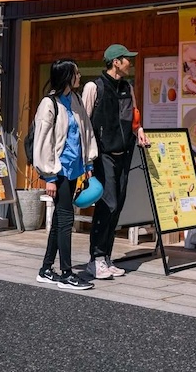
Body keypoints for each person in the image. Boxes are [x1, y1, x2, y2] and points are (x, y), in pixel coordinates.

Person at [82, 44, 149, 279]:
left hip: (124, 154)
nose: (131, 62)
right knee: (107, 205)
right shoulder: (94, 87)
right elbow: (84, 125)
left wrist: (139, 130)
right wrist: (87, 162)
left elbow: (133, 117)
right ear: (116, 62)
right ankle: (95, 259)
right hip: (102, 156)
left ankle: (106, 257)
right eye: (127, 59)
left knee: (117, 206)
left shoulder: (126, 87)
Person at [32, 59, 98, 290]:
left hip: (73, 169)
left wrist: (88, 163)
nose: (79, 77)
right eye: (76, 73)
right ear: (67, 76)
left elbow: (86, 131)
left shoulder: (76, 100)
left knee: (61, 219)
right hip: (58, 171)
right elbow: (43, 142)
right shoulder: (49, 104)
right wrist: (49, 177)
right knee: (66, 219)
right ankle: (66, 273)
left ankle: (46, 269)